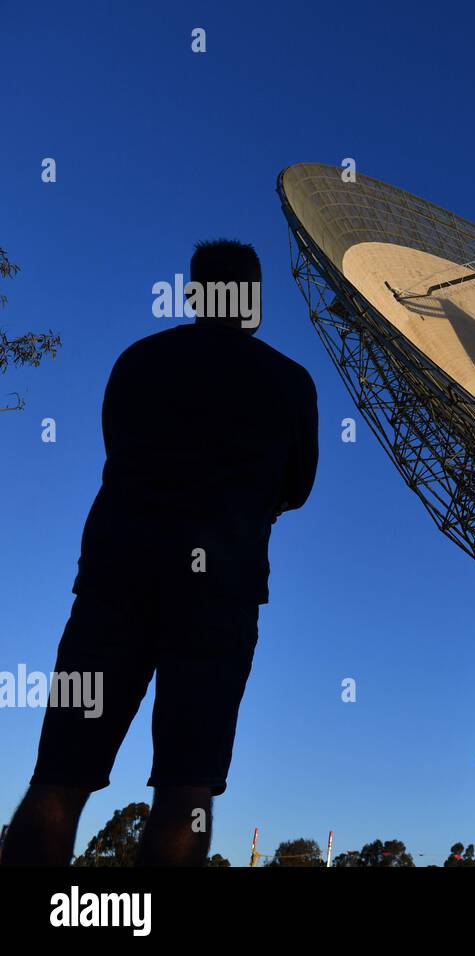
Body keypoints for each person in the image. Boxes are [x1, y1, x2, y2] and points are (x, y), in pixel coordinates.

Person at [1, 239, 318, 866]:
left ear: (194, 294)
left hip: (113, 583)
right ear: (253, 300)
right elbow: (298, 488)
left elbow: (116, 444)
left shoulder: (137, 361)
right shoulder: (288, 380)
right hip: (218, 597)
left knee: (60, 775)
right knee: (186, 785)